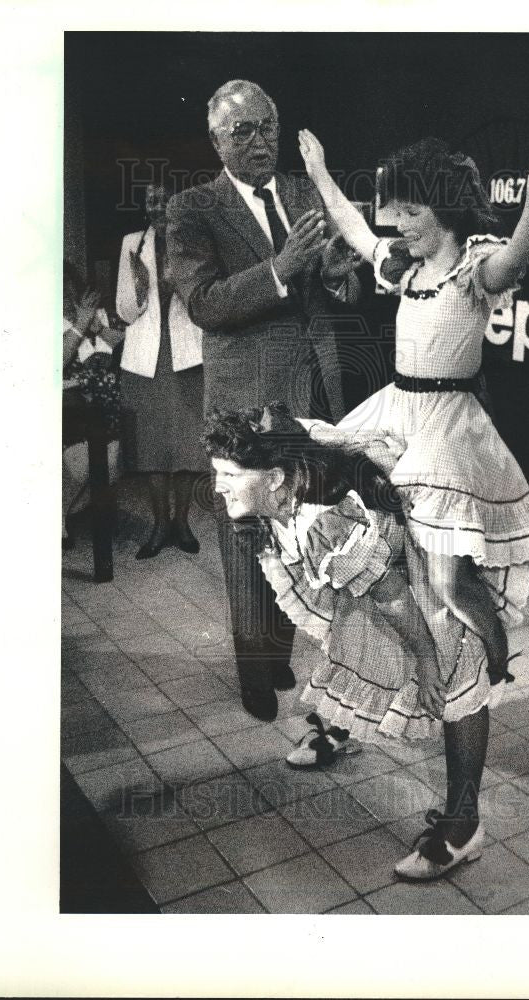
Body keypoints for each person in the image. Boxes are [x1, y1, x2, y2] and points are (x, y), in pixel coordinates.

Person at [297, 130, 529, 677]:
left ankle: (495, 658)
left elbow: (515, 261)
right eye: (396, 212)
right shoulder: (407, 267)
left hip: (449, 429)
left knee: (447, 580)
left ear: (444, 210)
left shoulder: (474, 267)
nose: (398, 224)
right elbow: (357, 231)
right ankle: (408, 665)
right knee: (370, 546)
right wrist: (319, 173)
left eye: (410, 212)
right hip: (397, 413)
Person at [203, 403, 502, 882]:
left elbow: (393, 597)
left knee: (452, 670)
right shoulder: (280, 485)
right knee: (351, 636)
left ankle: (464, 827)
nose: (217, 486)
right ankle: (343, 727)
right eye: (217, 472)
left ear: (277, 479)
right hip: (371, 561)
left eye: (230, 475)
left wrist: (426, 660)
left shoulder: (325, 524)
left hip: (418, 554)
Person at [166, 80, 362, 722]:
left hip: (311, 392)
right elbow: (205, 305)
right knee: (248, 532)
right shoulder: (192, 209)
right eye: (241, 131)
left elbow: (348, 287)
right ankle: (255, 667)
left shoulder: (307, 192)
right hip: (244, 406)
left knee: (299, 526)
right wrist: (281, 267)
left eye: (267, 129)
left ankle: (278, 649)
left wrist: (336, 271)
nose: (258, 142)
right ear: (217, 141)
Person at [116, 184, 205, 559]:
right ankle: (158, 524)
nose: (157, 207)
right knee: (152, 449)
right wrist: (137, 290)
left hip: (187, 357)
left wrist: (181, 286)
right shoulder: (132, 243)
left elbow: (206, 305)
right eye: (151, 201)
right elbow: (123, 311)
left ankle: (181, 523)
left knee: (186, 448)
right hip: (146, 360)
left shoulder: (197, 243)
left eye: (164, 200)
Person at [62, 261, 124, 548]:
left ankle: (81, 507)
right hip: (69, 404)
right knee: (78, 461)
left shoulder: (96, 313)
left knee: (112, 459)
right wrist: (79, 325)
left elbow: (118, 346)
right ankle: (61, 514)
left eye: (67, 285)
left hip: (105, 402)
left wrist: (96, 325)